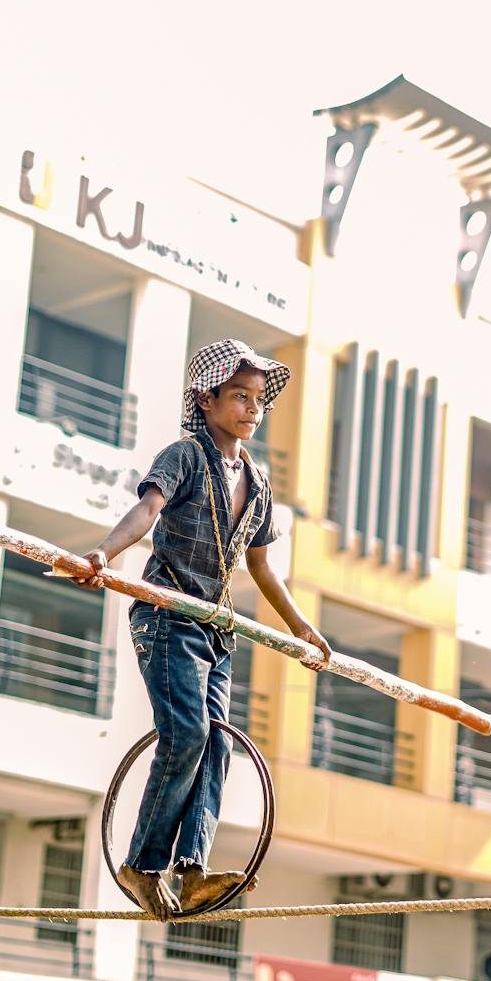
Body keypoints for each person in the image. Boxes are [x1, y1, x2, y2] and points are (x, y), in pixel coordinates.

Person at [67, 340, 330, 918]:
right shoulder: (184, 455)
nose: (252, 409)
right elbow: (147, 512)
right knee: (186, 734)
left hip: (216, 630)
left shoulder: (257, 483)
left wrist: (304, 630)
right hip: (166, 618)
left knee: (216, 746)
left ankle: (191, 870)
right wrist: (103, 556)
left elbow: (262, 568)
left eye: (258, 400)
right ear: (206, 399)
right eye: (239, 396)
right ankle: (143, 863)